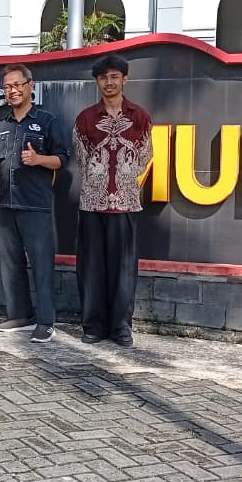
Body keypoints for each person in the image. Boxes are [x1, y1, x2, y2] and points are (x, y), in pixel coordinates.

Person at [0, 63, 71, 343]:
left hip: (35, 206)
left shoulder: (46, 121)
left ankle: (46, 321)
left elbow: (62, 159)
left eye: (17, 85)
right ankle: (21, 315)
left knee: (42, 265)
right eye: (7, 86)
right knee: (10, 264)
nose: (12, 91)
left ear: (30, 86)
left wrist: (39, 159)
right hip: (5, 205)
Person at [74, 54, 153, 348]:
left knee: (124, 270)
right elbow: (82, 159)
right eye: (103, 77)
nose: (109, 82)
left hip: (126, 203)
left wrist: (122, 179)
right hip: (92, 203)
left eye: (114, 77)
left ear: (124, 79)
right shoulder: (85, 118)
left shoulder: (140, 116)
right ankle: (93, 326)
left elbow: (144, 156)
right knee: (92, 268)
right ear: (97, 81)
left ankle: (121, 328)